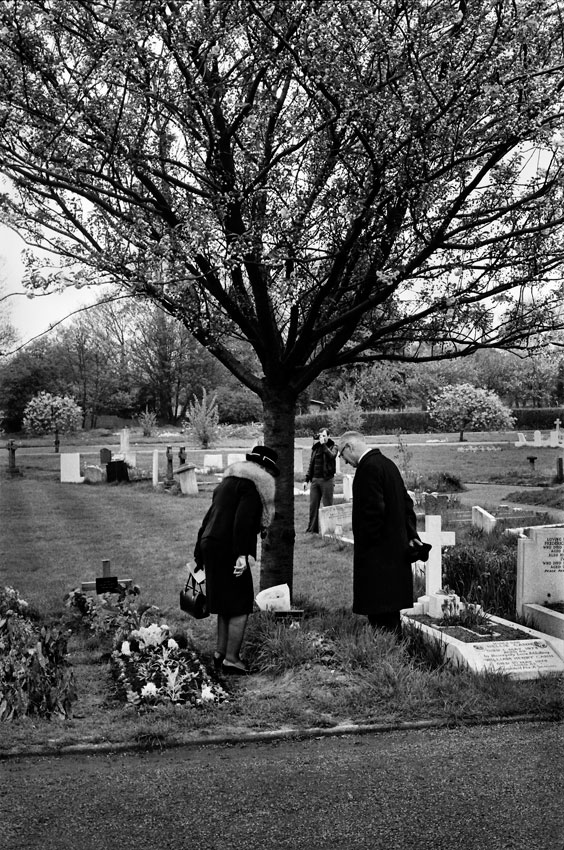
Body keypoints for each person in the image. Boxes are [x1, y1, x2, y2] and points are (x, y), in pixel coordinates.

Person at [194, 445, 280, 674]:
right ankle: (232, 658)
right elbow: (242, 522)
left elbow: (209, 517)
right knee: (241, 605)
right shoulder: (251, 487)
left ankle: (220, 653)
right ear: (262, 468)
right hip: (229, 547)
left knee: (224, 604)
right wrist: (243, 554)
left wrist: (198, 552)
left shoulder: (226, 484)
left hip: (210, 543)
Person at [337, 430, 427, 638]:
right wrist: (411, 534)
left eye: (342, 455)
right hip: (395, 550)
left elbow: (372, 512)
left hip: (378, 554)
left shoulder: (368, 469)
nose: (345, 462)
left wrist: (366, 546)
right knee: (390, 613)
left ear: (349, 447)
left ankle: (388, 658)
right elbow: (406, 503)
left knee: (380, 614)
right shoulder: (387, 464)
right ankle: (394, 655)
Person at [305, 427, 338, 533]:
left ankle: (329, 530)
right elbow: (311, 464)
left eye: (324, 436)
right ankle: (312, 530)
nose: (322, 438)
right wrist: (307, 479)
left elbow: (332, 456)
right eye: (320, 436)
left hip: (327, 479)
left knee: (327, 505)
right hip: (315, 480)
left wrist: (323, 444)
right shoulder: (316, 447)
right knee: (313, 505)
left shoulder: (334, 446)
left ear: (329, 436)